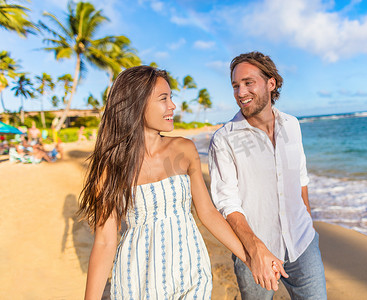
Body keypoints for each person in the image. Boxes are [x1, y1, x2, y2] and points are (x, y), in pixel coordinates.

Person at [79, 66, 252, 299]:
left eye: (171, 98)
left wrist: (249, 257)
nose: (172, 106)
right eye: (164, 98)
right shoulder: (111, 169)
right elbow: (105, 242)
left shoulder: (183, 149)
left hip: (191, 273)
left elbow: (208, 213)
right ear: (137, 104)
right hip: (137, 280)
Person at [208, 51, 327, 299]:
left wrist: (307, 219)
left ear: (271, 83)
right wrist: (255, 249)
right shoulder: (224, 139)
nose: (240, 93)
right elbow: (227, 203)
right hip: (255, 252)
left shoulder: (292, 125)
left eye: (248, 83)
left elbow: (301, 178)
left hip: (302, 244)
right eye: (235, 86)